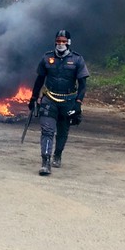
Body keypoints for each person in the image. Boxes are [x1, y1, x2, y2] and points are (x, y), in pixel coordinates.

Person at [28, 29, 90, 176]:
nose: (60, 44)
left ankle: (58, 154)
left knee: (62, 131)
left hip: (68, 101)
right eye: (58, 41)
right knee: (47, 131)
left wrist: (78, 104)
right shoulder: (46, 58)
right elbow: (39, 80)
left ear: (68, 43)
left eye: (63, 41)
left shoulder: (77, 60)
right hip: (49, 100)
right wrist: (33, 97)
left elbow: (82, 85)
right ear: (55, 41)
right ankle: (45, 162)